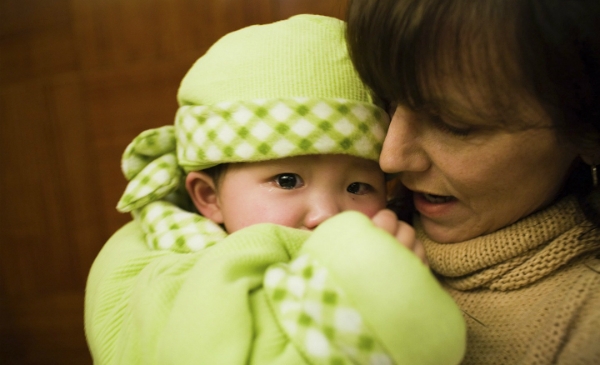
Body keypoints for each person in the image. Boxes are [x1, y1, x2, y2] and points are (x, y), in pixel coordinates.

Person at [85, 14, 466, 365]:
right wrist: (376, 281)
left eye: (357, 186)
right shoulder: (160, 268)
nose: (327, 214)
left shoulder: (403, 233)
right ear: (208, 197)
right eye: (287, 181)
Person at [345, 0, 600, 364]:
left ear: (588, 133)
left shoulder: (584, 332)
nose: (390, 158)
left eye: (454, 124)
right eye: (385, 100)